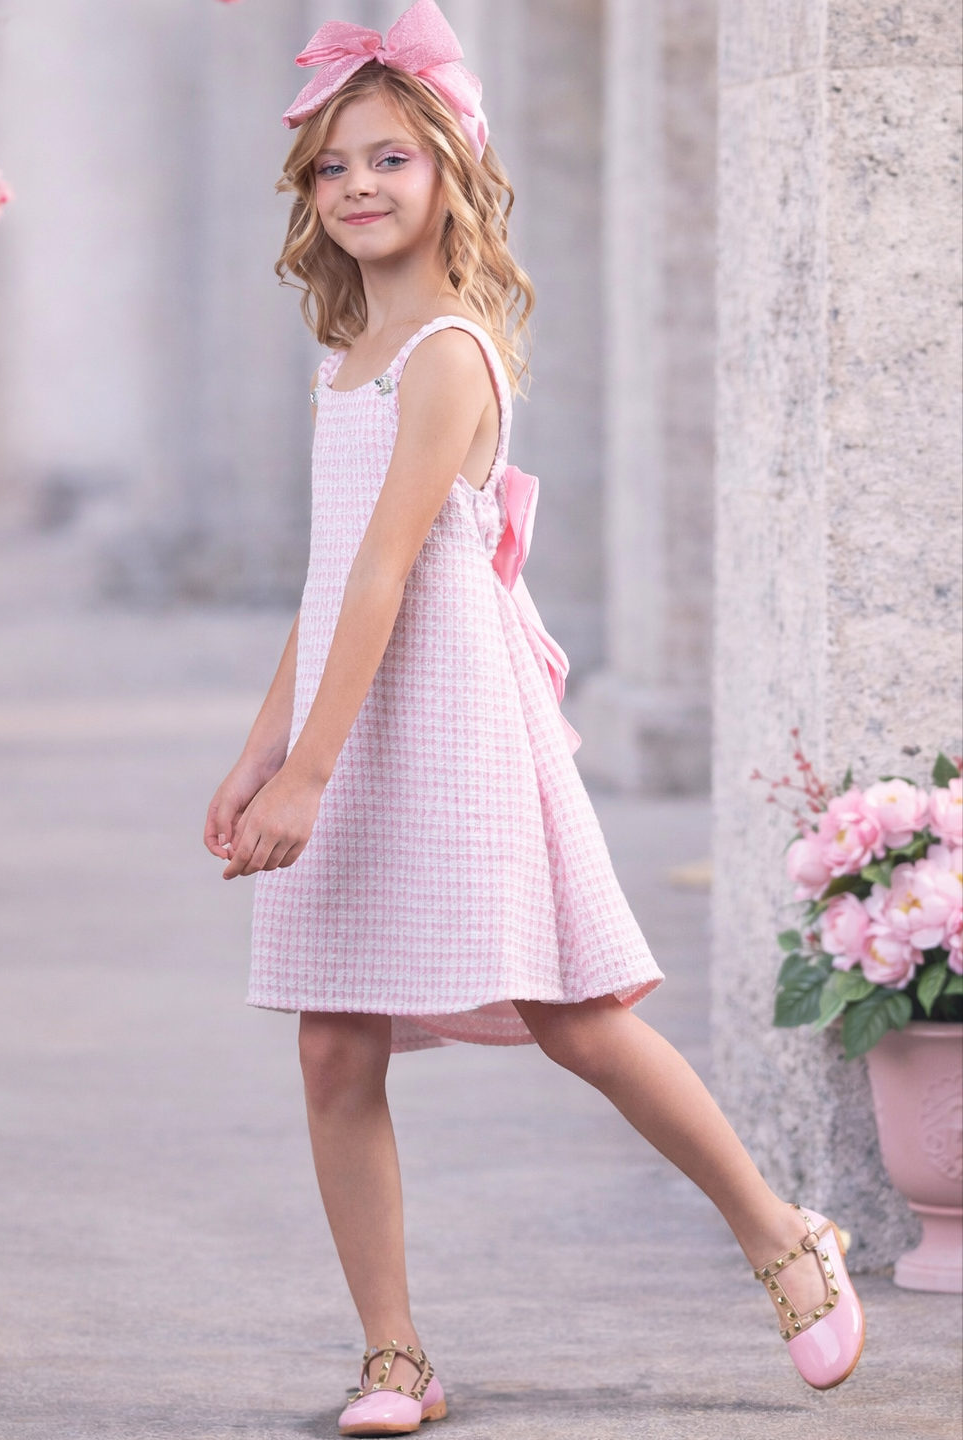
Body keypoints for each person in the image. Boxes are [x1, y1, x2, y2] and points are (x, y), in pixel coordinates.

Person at [204, 4, 865, 1433]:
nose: (360, 187)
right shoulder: (344, 365)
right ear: (311, 198)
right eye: (333, 168)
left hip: (440, 726)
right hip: (342, 716)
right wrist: (263, 749)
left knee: (576, 1011)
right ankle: (395, 1352)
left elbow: (390, 572)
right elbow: (328, 586)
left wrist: (310, 772)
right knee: (333, 1043)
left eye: (390, 157)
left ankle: (778, 1232)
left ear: (450, 167)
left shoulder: (446, 352)